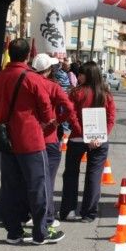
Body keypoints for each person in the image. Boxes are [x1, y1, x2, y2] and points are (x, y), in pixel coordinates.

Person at [0, 38, 65, 245]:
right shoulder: (32, 78)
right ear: (27, 56)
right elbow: (46, 110)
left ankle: (13, 232)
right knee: (37, 185)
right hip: (30, 138)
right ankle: (41, 233)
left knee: (9, 187)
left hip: (6, 138)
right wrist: (46, 123)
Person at [60, 61, 116, 222]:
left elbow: (71, 115)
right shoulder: (105, 94)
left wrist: (83, 133)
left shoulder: (76, 92)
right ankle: (89, 213)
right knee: (94, 175)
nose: (78, 76)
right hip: (99, 142)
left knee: (71, 174)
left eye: (81, 73)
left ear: (88, 75)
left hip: (77, 139)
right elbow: (111, 117)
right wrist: (101, 136)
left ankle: (68, 210)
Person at [31, 53, 82, 228]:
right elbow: (69, 107)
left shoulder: (25, 83)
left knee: (31, 179)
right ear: (49, 69)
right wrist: (58, 120)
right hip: (49, 137)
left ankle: (31, 213)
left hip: (29, 136)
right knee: (48, 180)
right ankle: (48, 216)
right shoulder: (52, 86)